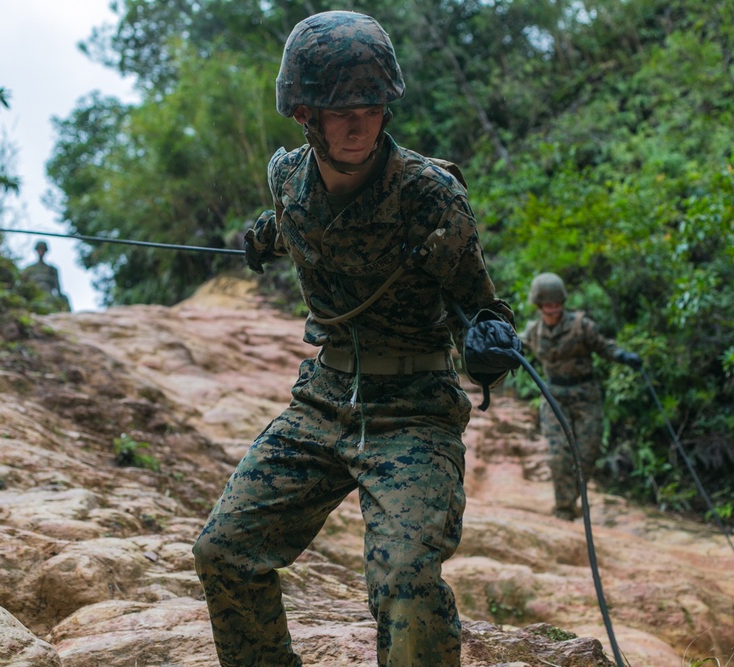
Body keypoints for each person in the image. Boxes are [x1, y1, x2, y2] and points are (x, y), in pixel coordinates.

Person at [192, 10, 520, 667]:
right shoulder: (288, 182)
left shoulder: (432, 197)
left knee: (406, 582)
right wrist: (258, 239)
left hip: (415, 411)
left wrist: (491, 341)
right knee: (224, 549)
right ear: (303, 114)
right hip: (324, 401)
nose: (356, 122)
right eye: (337, 109)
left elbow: (478, 304)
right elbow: (284, 220)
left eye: (369, 106)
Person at [521, 272, 641, 522]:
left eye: (557, 303)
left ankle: (572, 499)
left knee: (587, 455)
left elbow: (603, 346)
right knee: (558, 457)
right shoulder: (534, 331)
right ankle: (564, 509)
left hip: (585, 396)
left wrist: (623, 356)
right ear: (539, 304)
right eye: (548, 304)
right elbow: (516, 348)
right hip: (554, 397)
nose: (553, 308)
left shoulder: (580, 325)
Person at [21, 240, 70, 312]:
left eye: (42, 249)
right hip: (34, 296)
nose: (41, 251)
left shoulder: (51, 269)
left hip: (48, 295)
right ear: (36, 250)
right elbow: (24, 285)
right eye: (39, 249)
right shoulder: (29, 269)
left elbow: (57, 287)